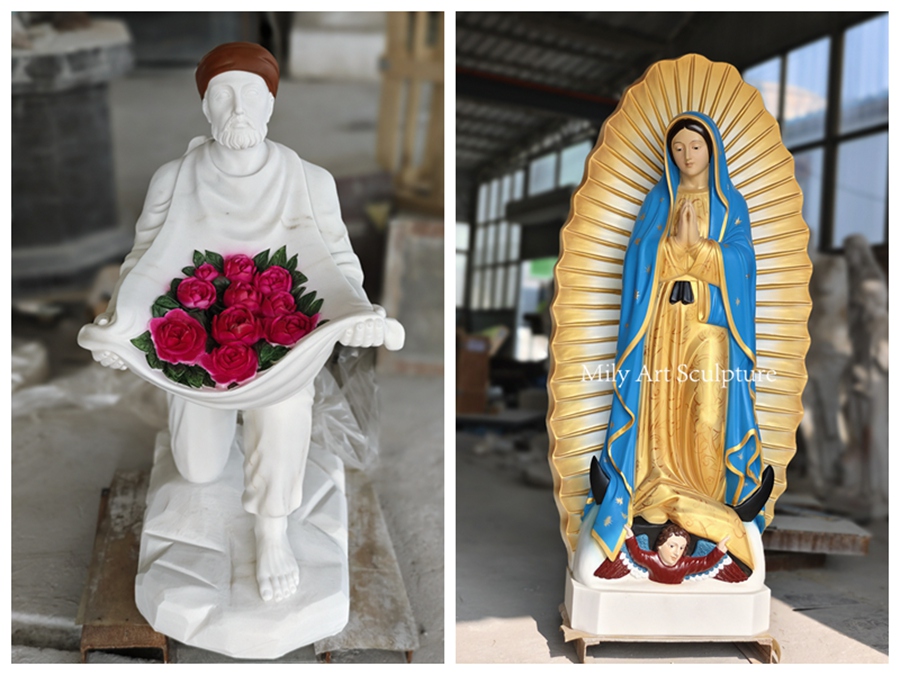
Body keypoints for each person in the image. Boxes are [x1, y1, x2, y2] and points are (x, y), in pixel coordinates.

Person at [87, 42, 385, 603]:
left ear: (271, 103)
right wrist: (116, 325)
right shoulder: (174, 179)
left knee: (282, 405)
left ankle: (272, 529)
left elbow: (338, 262)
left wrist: (359, 312)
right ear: (205, 107)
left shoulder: (309, 179)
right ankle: (202, 406)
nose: (238, 108)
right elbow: (144, 262)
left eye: (251, 93)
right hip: (199, 339)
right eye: (223, 95)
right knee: (198, 470)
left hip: (281, 338)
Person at [584, 112, 767, 572]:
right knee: (659, 411)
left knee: (706, 416)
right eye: (679, 148)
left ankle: (704, 502)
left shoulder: (730, 206)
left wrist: (702, 250)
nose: (687, 157)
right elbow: (637, 260)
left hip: (710, 329)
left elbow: (744, 265)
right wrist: (668, 249)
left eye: (696, 147)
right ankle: (655, 492)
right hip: (663, 325)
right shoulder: (656, 199)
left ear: (713, 150)